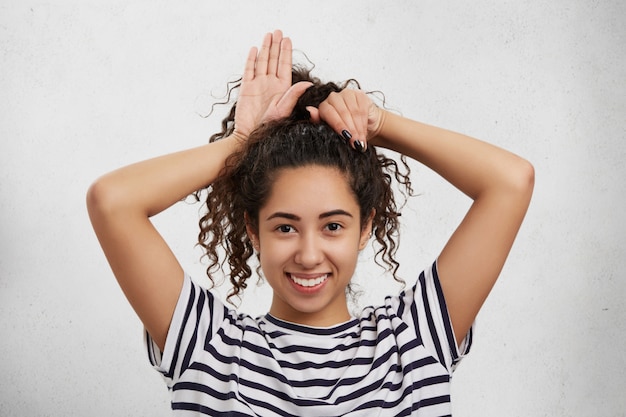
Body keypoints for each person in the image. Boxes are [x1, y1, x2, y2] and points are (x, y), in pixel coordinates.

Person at [87, 30, 534, 416]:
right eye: (284, 226)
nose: (308, 254)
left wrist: (378, 123)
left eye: (333, 226)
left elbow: (511, 181)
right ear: (251, 229)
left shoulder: (413, 339)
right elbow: (112, 201)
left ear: (365, 228)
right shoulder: (209, 346)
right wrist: (244, 143)